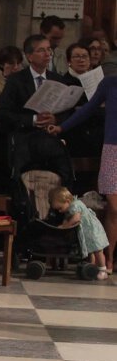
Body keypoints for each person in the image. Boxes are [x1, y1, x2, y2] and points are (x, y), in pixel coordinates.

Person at [50, 73, 117, 274]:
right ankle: (108, 259)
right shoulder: (110, 83)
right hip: (113, 149)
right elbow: (88, 109)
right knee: (114, 208)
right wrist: (62, 127)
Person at [0, 34, 75, 184]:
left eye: (49, 50)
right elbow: (3, 113)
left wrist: (56, 120)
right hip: (25, 138)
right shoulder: (16, 80)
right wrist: (32, 120)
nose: (47, 54)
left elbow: (67, 111)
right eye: (41, 51)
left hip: (50, 138)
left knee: (65, 171)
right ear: (29, 56)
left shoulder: (57, 79)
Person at [48, 187, 108, 279]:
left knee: (98, 250)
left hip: (93, 231)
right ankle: (91, 268)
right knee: (91, 251)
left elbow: (76, 218)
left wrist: (65, 226)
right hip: (88, 231)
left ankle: (103, 270)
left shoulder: (74, 205)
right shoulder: (72, 206)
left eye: (60, 208)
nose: (60, 211)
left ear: (67, 201)